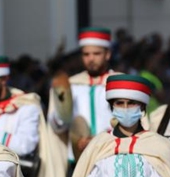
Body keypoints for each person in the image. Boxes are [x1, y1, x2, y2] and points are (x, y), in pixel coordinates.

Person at [48, 27, 120, 166]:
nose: (91, 59)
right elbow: (56, 127)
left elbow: (130, 124)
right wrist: (62, 113)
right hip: (77, 160)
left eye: (96, 54)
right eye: (86, 54)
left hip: (111, 156)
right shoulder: (72, 84)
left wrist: (98, 140)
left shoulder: (120, 83)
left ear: (108, 54)